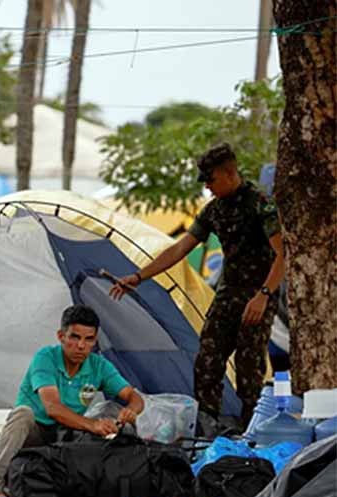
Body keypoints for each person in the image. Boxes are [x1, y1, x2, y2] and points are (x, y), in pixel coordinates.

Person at [109, 143, 284, 427]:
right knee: (207, 361)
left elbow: (282, 255)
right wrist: (139, 276)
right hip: (228, 295)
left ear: (230, 173)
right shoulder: (213, 211)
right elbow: (179, 249)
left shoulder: (260, 204)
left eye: (212, 180)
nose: (208, 188)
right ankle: (208, 425)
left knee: (249, 369)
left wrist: (264, 295)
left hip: (258, 295)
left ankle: (251, 430)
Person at [0, 305, 144, 497]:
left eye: (89, 340)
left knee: (113, 412)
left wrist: (130, 411)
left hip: (68, 434)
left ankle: (115, 486)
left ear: (95, 341)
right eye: (74, 337)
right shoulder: (46, 357)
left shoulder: (98, 365)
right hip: (36, 433)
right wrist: (93, 425)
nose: (81, 346)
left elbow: (134, 396)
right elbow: (53, 408)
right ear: (61, 336)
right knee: (23, 414)